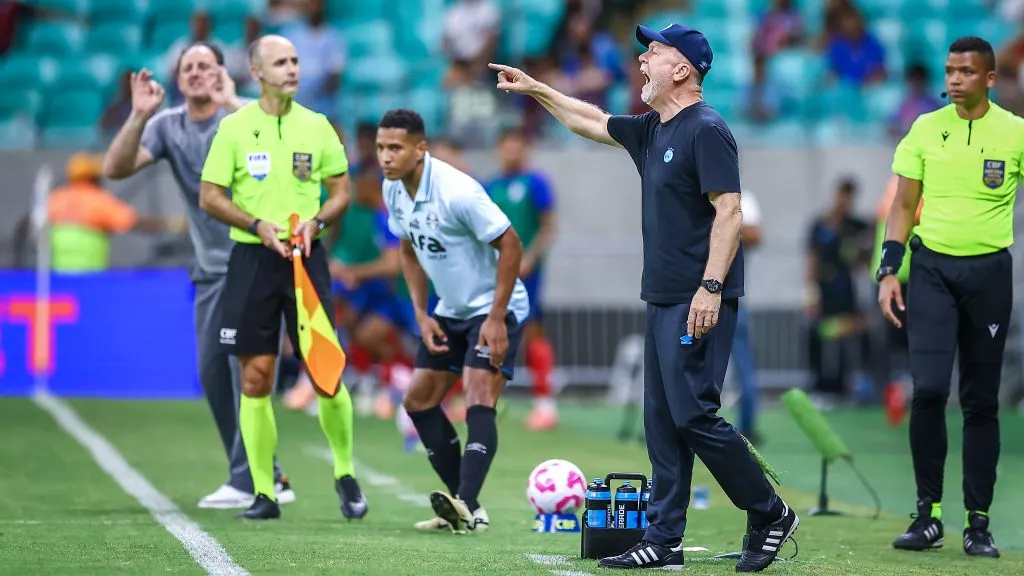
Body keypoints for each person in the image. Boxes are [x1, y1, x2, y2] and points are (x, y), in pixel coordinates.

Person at [489, 22, 797, 572]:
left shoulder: (707, 129)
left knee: (694, 415)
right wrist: (536, 88)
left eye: (652, 52)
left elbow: (730, 213)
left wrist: (710, 287)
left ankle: (769, 511)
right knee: (663, 421)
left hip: (696, 297)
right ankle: (664, 537)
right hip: (661, 296)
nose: (641, 62)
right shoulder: (655, 129)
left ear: (682, 69)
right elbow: (590, 119)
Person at [101, 41, 296, 510]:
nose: (195, 73)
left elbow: (287, 138)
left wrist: (232, 100)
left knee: (240, 371)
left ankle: (249, 478)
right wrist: (138, 115)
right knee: (212, 372)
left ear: (224, 74)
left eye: (205, 65)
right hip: (210, 270)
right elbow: (115, 168)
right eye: (187, 67)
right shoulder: (168, 126)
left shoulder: (243, 117)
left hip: (254, 263)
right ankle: (265, 474)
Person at [198, 35, 366, 521]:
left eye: (295, 60)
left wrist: (316, 222)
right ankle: (265, 492)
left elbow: (340, 193)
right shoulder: (234, 128)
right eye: (281, 62)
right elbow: (210, 195)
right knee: (255, 377)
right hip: (252, 260)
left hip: (305, 260)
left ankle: (345, 474)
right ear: (257, 73)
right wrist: (255, 225)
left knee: (324, 372)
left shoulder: (317, 127)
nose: (292, 68)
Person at [878, 36, 1024, 558]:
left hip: (989, 274)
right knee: (929, 391)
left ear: (989, 79)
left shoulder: (1015, 133)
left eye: (966, 71)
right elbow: (903, 204)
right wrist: (889, 269)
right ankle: (927, 515)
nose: (954, 78)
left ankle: (978, 524)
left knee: (981, 402)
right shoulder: (925, 128)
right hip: (933, 272)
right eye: (949, 70)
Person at [376, 108, 529, 534]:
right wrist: (422, 314)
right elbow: (407, 247)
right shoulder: (393, 189)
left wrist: (497, 317)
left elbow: (512, 244)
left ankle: (465, 503)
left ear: (419, 150)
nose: (385, 157)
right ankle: (467, 507)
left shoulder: (458, 191)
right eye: (380, 148)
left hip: (496, 306)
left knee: (478, 391)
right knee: (419, 400)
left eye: (395, 148)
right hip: (450, 309)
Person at [485, 127, 559, 430]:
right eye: (507, 146)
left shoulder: (535, 182)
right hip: (495, 273)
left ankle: (545, 404)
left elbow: (548, 226)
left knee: (531, 333)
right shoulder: (489, 186)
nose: (511, 152)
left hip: (526, 273)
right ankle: (486, 399)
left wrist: (529, 258)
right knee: (490, 332)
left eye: (517, 146)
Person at [732, 189, 762, 442]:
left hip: (732, 297)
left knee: (743, 365)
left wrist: (723, 227)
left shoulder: (744, 198)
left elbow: (754, 235)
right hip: (694, 294)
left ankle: (747, 426)